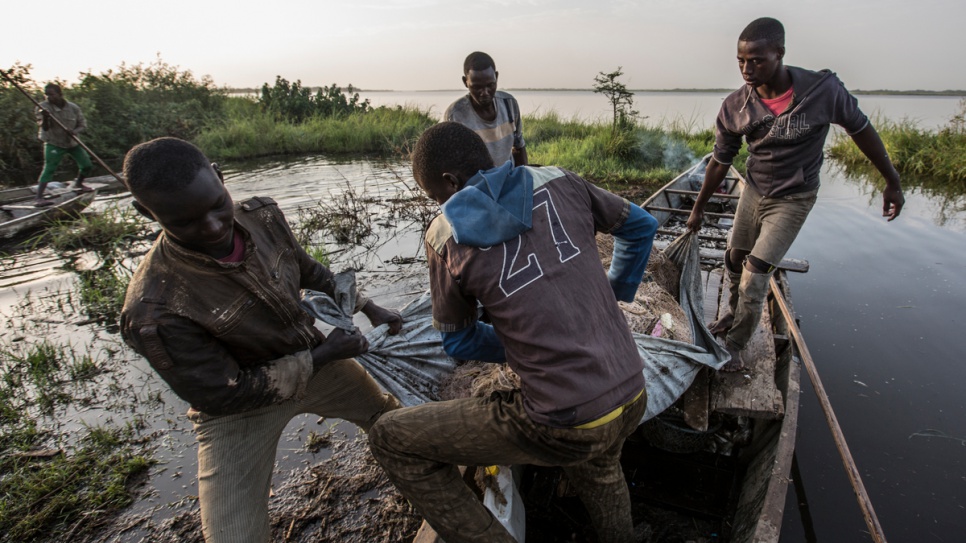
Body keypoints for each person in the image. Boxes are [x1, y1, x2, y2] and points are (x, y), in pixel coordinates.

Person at [369, 122, 658, 543]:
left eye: (434, 195)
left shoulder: (444, 234)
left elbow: (460, 341)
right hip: (631, 390)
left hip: (564, 419)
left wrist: (526, 350)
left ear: (449, 182)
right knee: (599, 462)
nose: (438, 203)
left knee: (389, 437)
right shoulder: (559, 179)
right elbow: (641, 227)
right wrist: (612, 298)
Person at [119, 137, 403, 543]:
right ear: (145, 213)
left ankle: (423, 481)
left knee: (388, 420)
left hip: (316, 360)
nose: (213, 227)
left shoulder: (262, 217)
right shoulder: (155, 308)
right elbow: (224, 393)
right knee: (233, 534)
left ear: (220, 176)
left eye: (218, 205)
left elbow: (307, 270)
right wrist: (322, 355)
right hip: (240, 410)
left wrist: (368, 306)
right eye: (185, 222)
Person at [686, 17, 904, 371]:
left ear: (779, 54)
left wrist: (891, 181)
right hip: (754, 191)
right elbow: (720, 161)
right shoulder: (735, 106)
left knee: (756, 273)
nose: (746, 68)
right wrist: (698, 209)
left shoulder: (823, 91)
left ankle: (737, 344)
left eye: (756, 60)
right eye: (741, 60)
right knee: (734, 257)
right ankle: (732, 312)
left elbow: (862, 130)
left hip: (794, 198)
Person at [444, 51, 528, 167]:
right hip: (476, 183)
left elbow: (518, 146)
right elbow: (452, 164)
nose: (485, 93)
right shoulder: (455, 116)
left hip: (509, 179)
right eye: (477, 87)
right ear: (465, 82)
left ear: (496, 77)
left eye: (490, 85)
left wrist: (522, 178)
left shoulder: (509, 104)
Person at [34, 83, 93, 206]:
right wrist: (45, 118)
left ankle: (79, 183)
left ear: (60, 94)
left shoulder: (73, 108)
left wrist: (74, 132)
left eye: (52, 94)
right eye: (47, 94)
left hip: (72, 142)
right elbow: (44, 128)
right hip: (54, 142)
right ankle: (39, 198)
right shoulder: (43, 107)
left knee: (87, 165)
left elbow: (82, 125)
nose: (49, 97)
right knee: (49, 168)